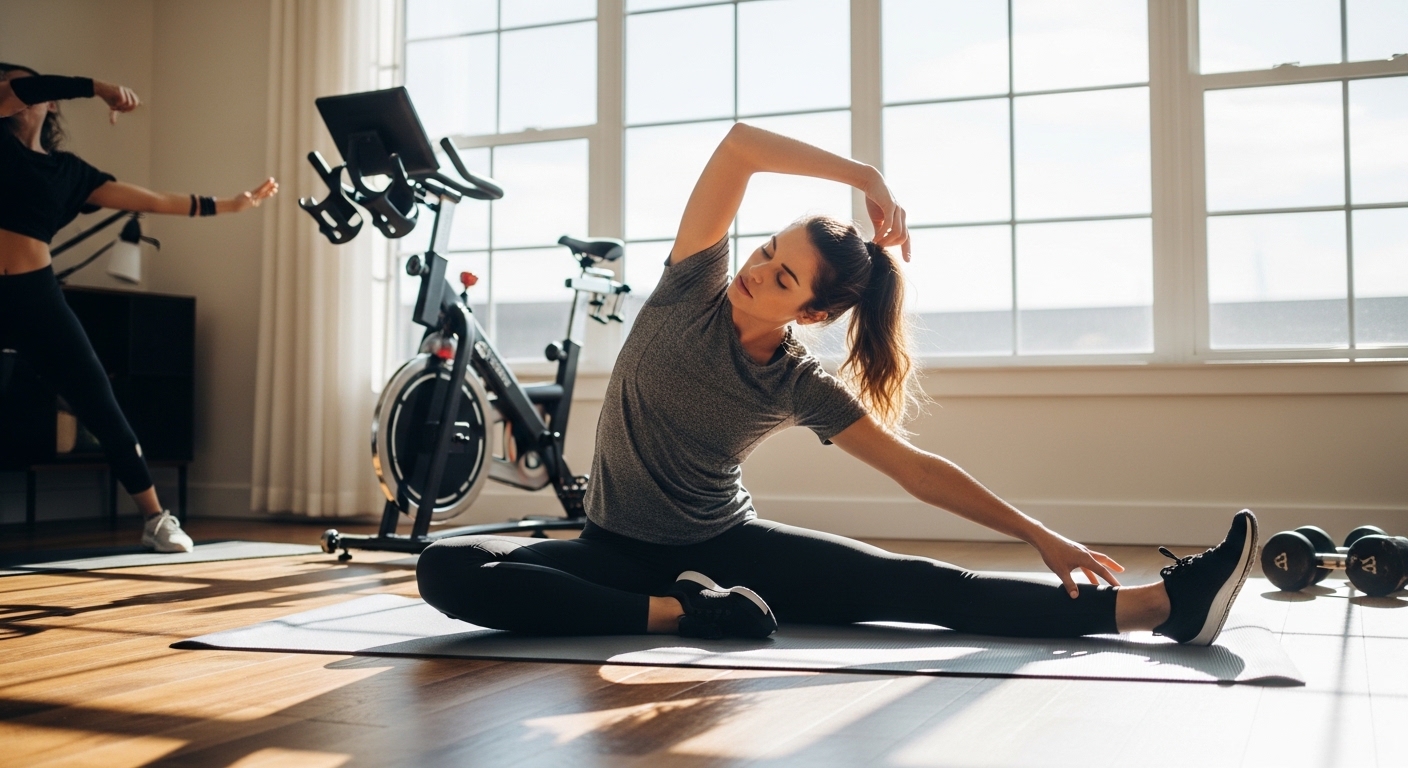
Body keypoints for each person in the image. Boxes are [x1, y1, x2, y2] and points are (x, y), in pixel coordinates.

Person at [415, 123, 1257, 647]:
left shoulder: (797, 384)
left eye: (781, 278)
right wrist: (865, 177)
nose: (756, 272)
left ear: (809, 313)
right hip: (612, 549)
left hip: (726, 549)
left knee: (926, 588)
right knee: (448, 568)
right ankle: (689, 615)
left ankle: (1158, 608)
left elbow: (914, 472)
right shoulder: (688, 286)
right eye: (764, 252)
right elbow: (741, 145)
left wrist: (1040, 535)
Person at [0, 64, 278, 552]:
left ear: (52, 106)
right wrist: (100, 88)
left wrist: (231, 205)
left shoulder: (69, 173)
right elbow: (23, 89)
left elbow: (151, 199)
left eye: (30, 87)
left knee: (97, 400)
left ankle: (155, 518)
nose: (19, 93)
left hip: (35, 297)